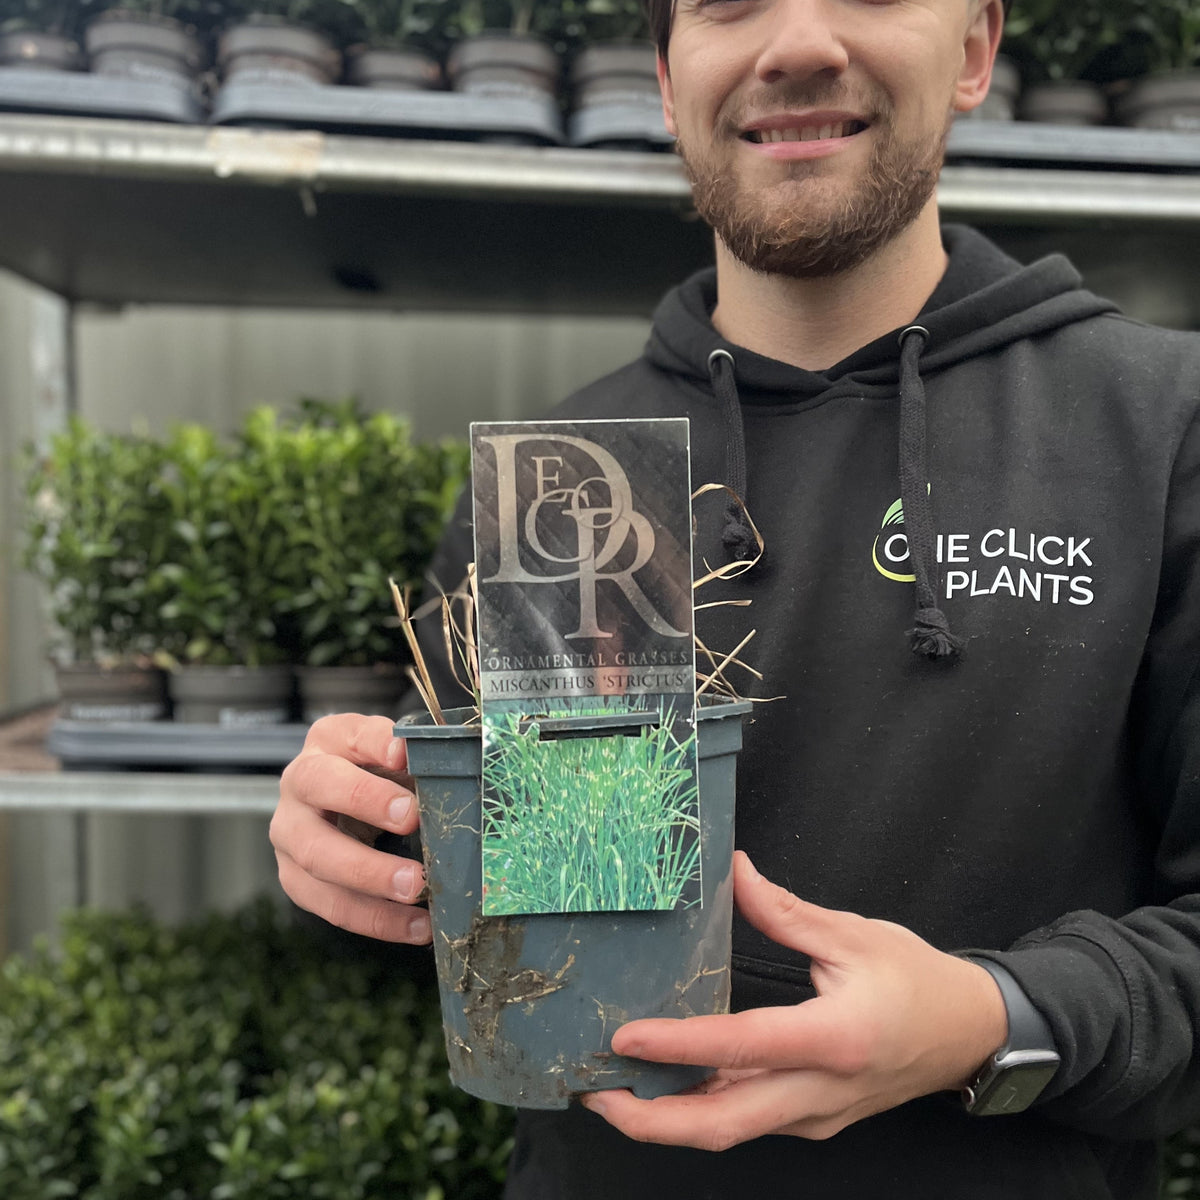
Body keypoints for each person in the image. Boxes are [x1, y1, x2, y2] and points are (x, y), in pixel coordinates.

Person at [270, 0, 1200, 1195]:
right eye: (729, 1)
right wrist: (349, 841)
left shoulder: (1156, 428)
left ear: (974, 50)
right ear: (667, 78)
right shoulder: (568, 471)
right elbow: (489, 907)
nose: (798, 42)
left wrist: (990, 1017)